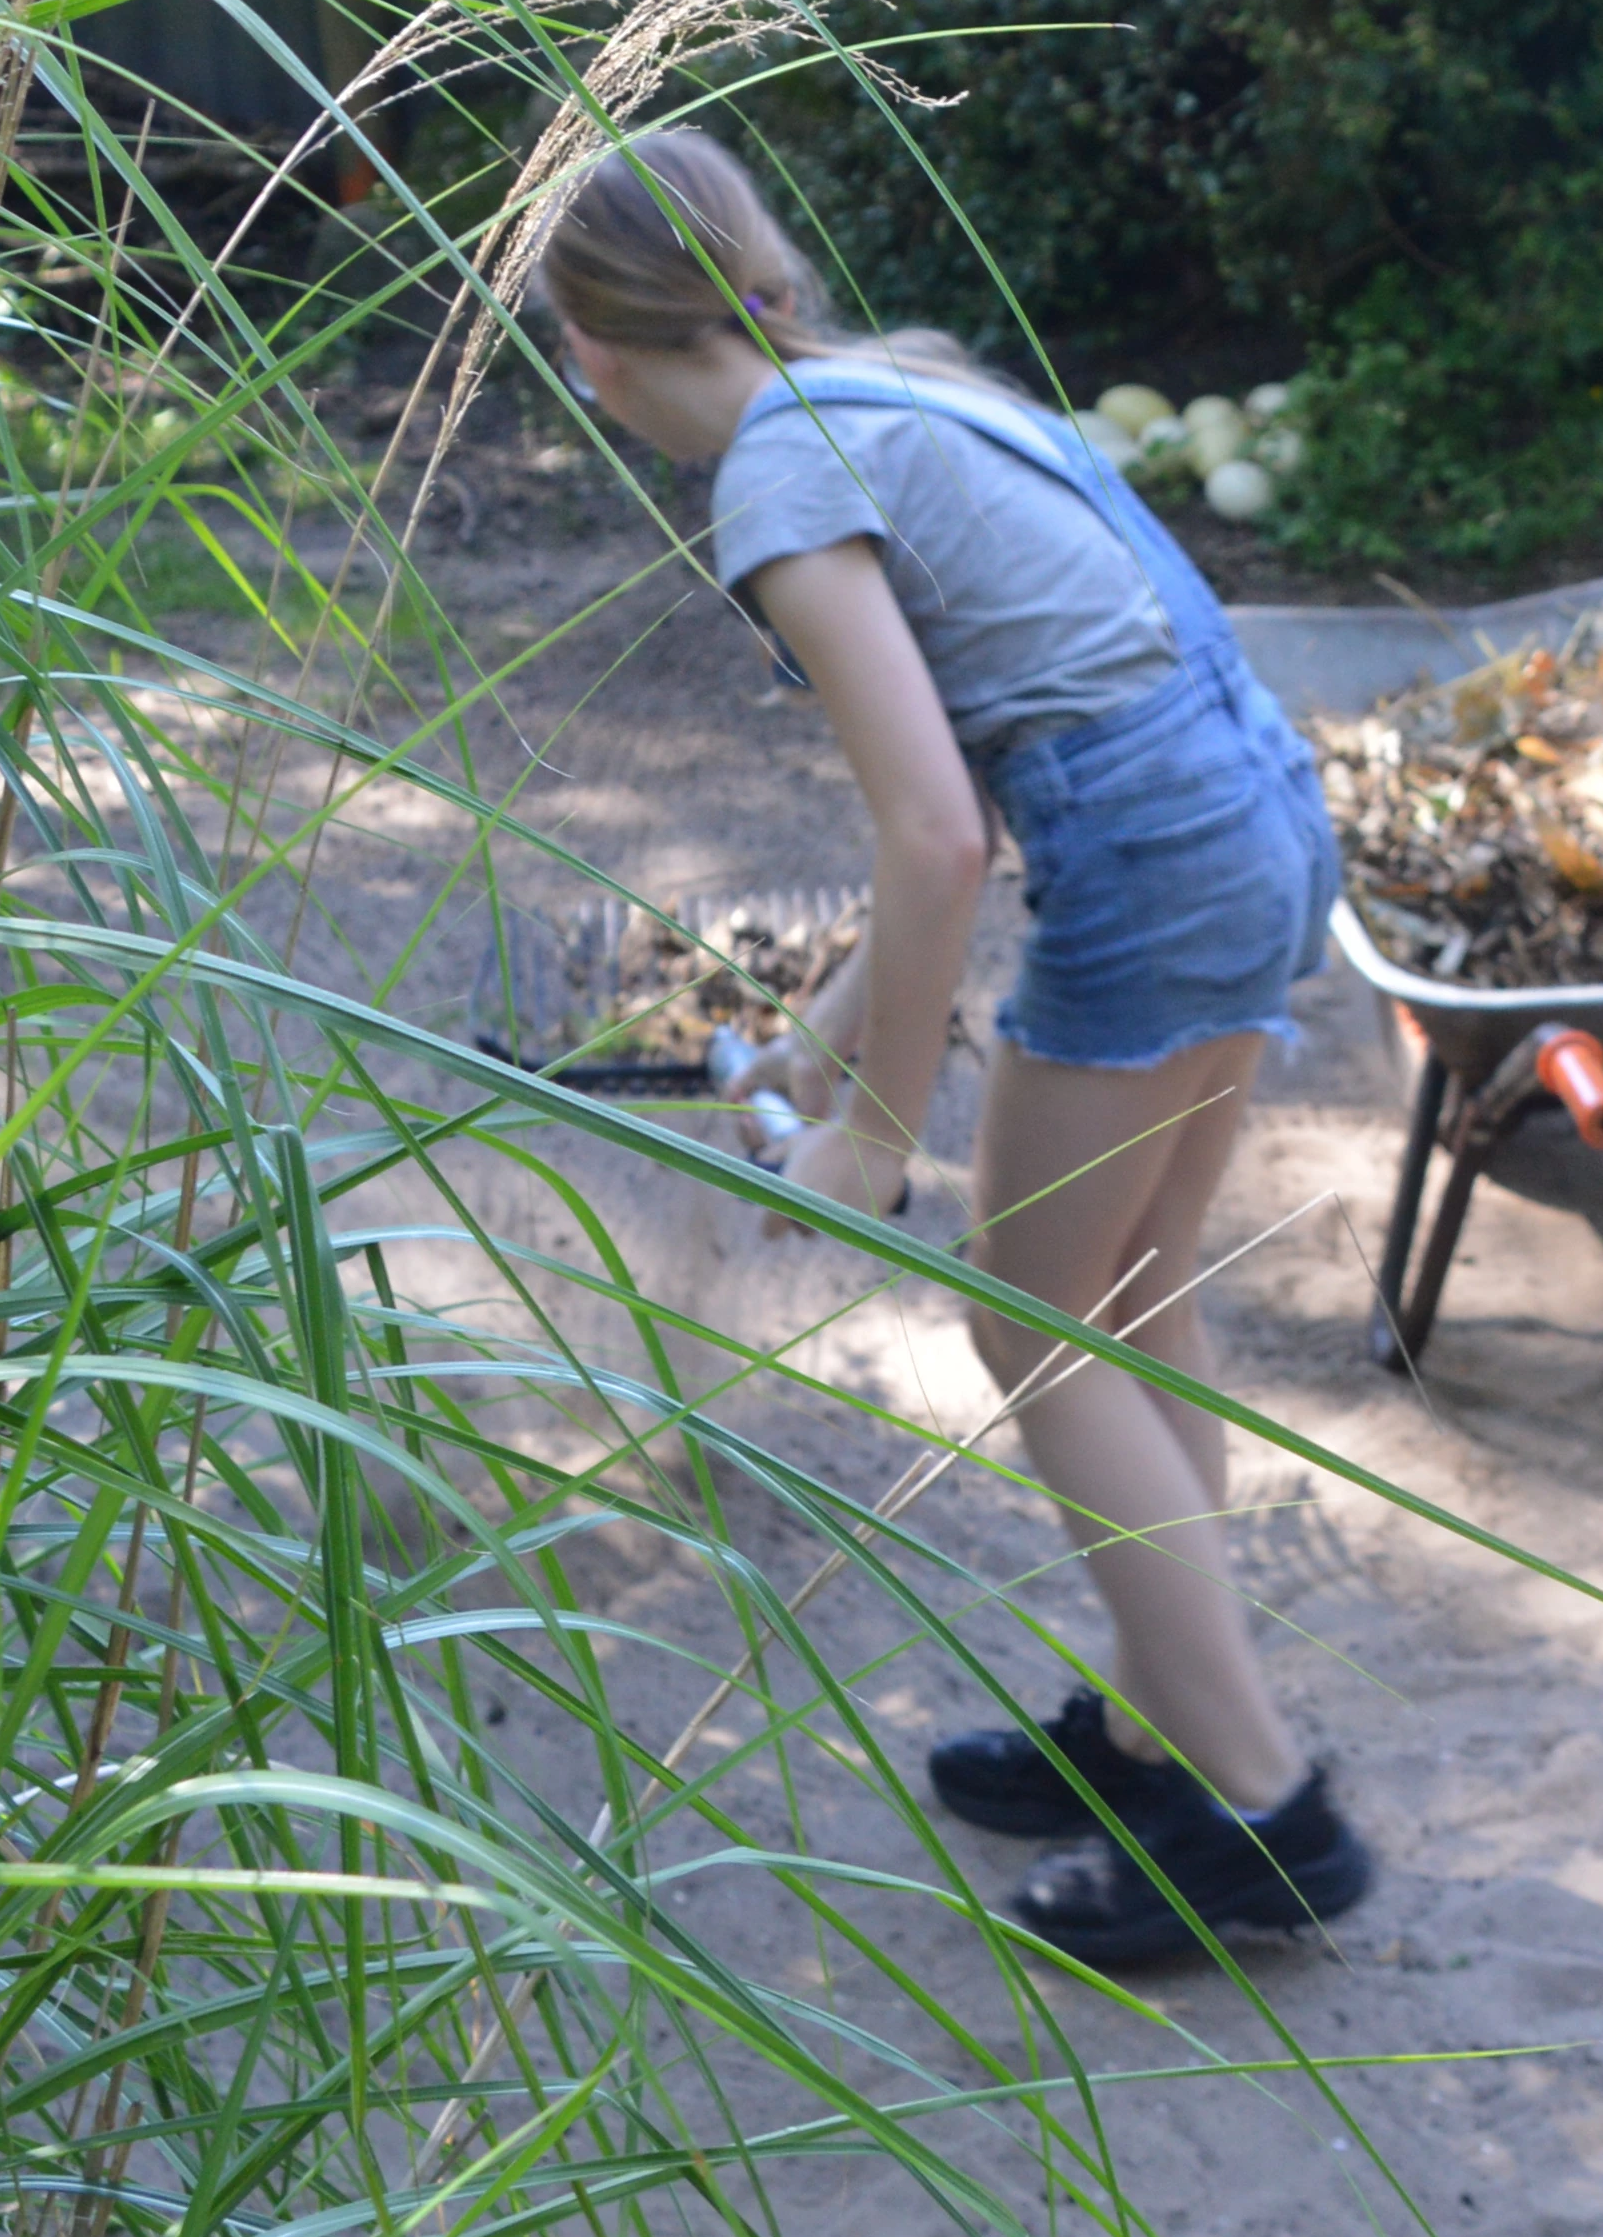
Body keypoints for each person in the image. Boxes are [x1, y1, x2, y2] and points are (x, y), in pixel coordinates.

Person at [536, 124, 1380, 1969]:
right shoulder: (890, 382)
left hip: (1156, 850)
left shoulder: (772, 478)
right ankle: (1158, 1723)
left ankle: (1259, 1815)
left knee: (1029, 1315)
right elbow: (987, 775)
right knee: (1135, 1287)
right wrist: (820, 1049)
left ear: (588, 352)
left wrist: (868, 1141)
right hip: (1255, 806)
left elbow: (941, 836)